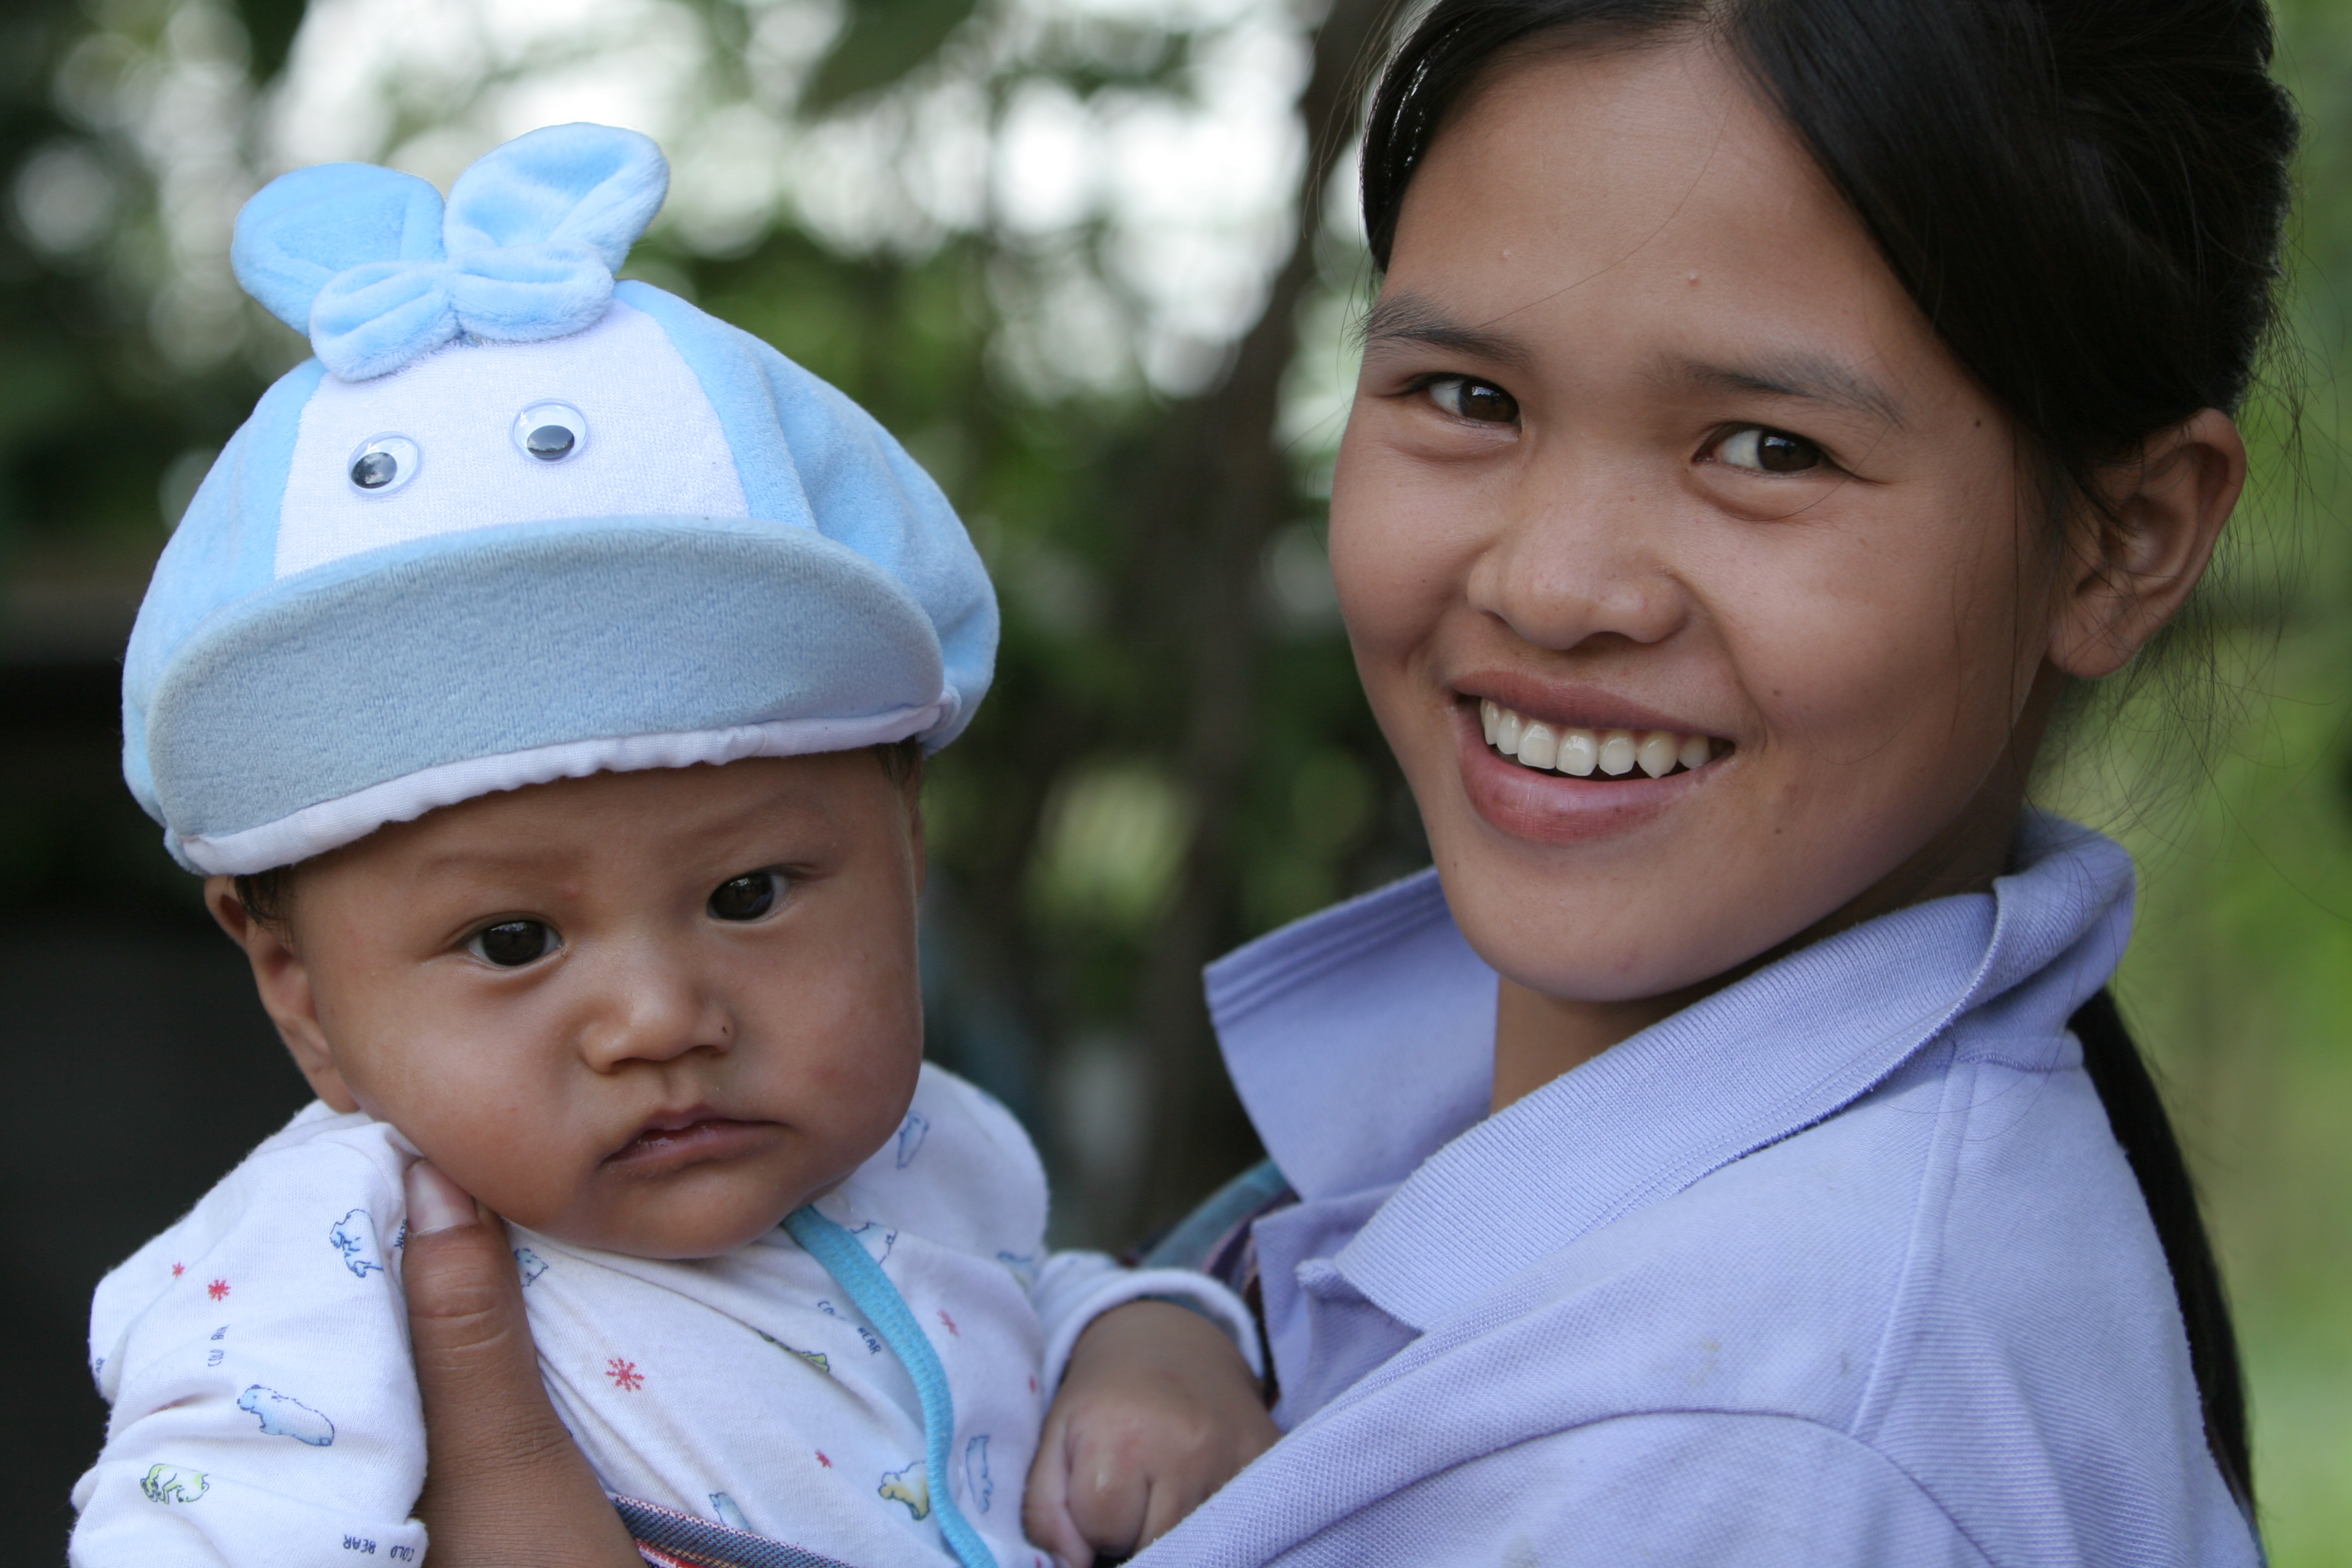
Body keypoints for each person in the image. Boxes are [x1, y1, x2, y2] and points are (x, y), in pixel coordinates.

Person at [397, 0, 2300, 1561]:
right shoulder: (1519, 1163)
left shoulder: (1737, 1447)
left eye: (1765, 448)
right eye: (1466, 399)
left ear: (2121, 541)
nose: (1553, 583)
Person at [70, 123, 1276, 1568]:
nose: (660, 1019)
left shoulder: (926, 1145)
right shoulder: (331, 1264)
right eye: (513, 939)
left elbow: (1029, 1295)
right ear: (303, 993)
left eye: (749, 893)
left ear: (907, 853)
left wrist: (1155, 1338)